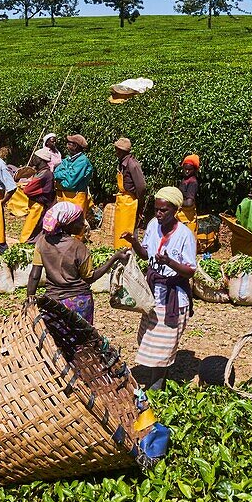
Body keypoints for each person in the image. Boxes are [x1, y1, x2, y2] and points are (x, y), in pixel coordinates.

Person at [122, 187, 197, 390]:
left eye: (163, 210)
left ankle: (156, 388)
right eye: (156, 209)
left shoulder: (185, 235)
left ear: (175, 210)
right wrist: (134, 242)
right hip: (153, 293)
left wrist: (170, 262)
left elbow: (190, 271)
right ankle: (159, 379)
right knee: (151, 338)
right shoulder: (153, 225)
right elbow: (146, 255)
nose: (158, 214)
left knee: (162, 345)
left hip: (173, 296)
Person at [27, 202, 125, 323]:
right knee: (81, 339)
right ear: (68, 223)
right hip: (79, 302)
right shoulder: (79, 247)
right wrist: (114, 258)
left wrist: (29, 301)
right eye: (79, 221)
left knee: (56, 338)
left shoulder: (42, 242)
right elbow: (90, 277)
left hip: (53, 302)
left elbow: (34, 275)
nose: (83, 224)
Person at [53, 134, 93, 236]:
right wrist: (65, 174)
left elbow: (70, 183)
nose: (67, 145)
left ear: (75, 146)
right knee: (64, 222)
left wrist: (61, 178)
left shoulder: (83, 161)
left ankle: (75, 245)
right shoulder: (67, 159)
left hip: (76, 197)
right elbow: (55, 173)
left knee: (75, 224)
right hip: (65, 197)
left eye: (69, 143)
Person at [113, 137, 146, 249]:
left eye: (117, 150)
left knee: (129, 230)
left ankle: (128, 253)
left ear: (122, 151)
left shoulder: (133, 165)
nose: (116, 152)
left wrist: (139, 205)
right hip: (122, 201)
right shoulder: (122, 163)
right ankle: (119, 252)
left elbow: (141, 187)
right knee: (120, 230)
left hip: (130, 203)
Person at [19, 149, 56, 243]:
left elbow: (28, 190)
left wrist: (26, 187)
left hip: (39, 205)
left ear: (40, 159)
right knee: (34, 226)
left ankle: (28, 242)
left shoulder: (44, 174)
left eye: (35, 157)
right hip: (37, 204)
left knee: (32, 226)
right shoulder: (41, 172)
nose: (33, 159)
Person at [177, 154, 200, 237]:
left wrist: (176, 202)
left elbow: (189, 203)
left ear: (194, 170)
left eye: (190, 169)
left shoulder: (192, 183)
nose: (187, 171)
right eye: (185, 169)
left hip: (187, 215)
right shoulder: (185, 180)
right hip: (182, 213)